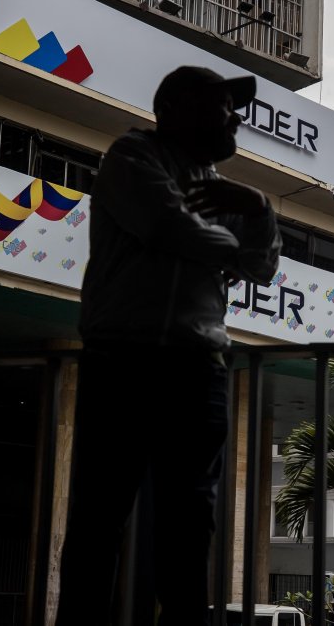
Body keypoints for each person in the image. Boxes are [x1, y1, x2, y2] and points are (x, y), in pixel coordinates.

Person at [57, 66, 281, 626]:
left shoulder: (224, 189)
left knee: (189, 525)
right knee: (99, 520)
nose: (237, 117)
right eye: (225, 105)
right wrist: (230, 243)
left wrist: (260, 207)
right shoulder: (132, 156)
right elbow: (167, 228)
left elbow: (263, 265)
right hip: (123, 362)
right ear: (179, 106)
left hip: (198, 368)